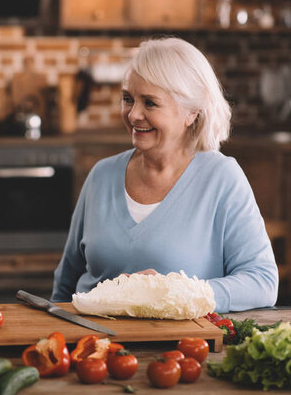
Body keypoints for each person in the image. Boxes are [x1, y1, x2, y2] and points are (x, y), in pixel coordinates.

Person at [51, 37, 278, 313]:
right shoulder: (102, 175)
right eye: (128, 99)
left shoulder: (221, 178)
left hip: (181, 352)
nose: (134, 114)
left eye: (150, 103)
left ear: (191, 112)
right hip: (95, 347)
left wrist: (177, 292)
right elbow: (65, 286)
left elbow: (262, 282)